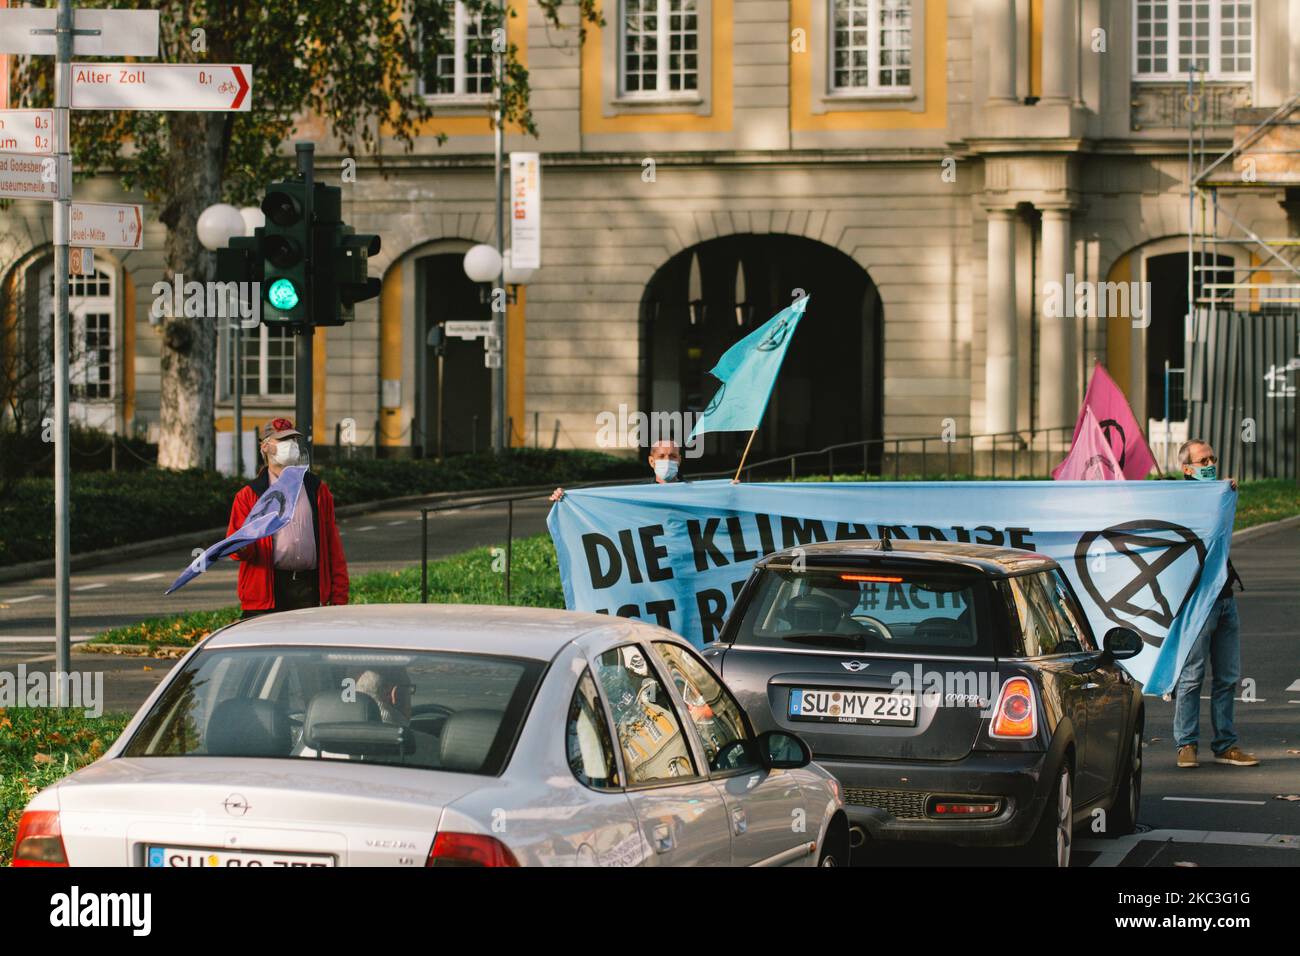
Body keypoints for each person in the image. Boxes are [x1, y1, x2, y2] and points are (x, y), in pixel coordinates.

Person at [1173, 438, 1258, 769]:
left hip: (1225, 598)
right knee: (1192, 675)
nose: (1209, 465)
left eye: (1212, 458)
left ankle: (1225, 744)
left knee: (1227, 676)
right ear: (1187, 469)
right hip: (1197, 601)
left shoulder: (1220, 495)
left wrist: (1226, 491)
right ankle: (1186, 744)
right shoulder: (1180, 502)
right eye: (1202, 460)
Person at [227, 418, 349, 617]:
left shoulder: (316, 489)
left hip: (308, 589)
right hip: (266, 591)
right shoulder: (249, 495)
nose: (291, 446)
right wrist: (242, 545)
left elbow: (332, 544)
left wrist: (339, 595)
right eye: (283, 440)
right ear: (265, 447)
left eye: (293, 439)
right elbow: (236, 550)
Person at [551, 438, 683, 502]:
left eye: (673, 456)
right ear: (651, 461)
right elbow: (601, 504)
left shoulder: (696, 492)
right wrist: (566, 497)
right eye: (661, 456)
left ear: (679, 460)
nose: (667, 461)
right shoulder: (638, 493)